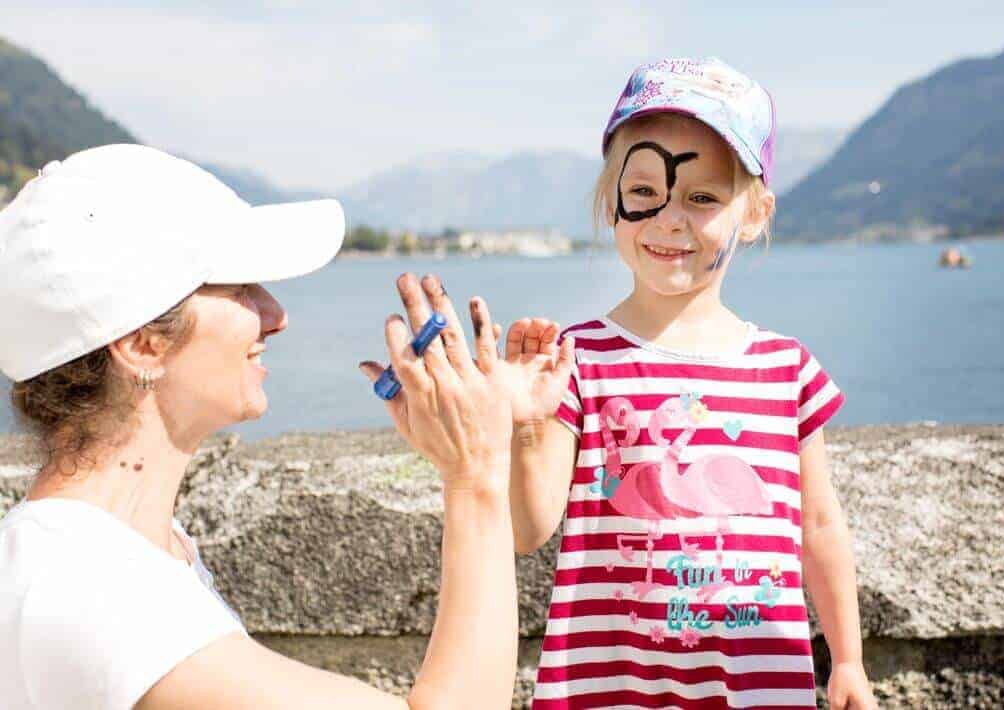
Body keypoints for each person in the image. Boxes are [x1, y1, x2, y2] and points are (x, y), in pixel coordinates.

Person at [0, 144, 520, 709]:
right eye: (240, 287)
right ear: (142, 343)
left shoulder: (110, 553)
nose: (276, 316)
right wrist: (475, 473)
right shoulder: (101, 598)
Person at [493, 59, 878, 708]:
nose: (669, 219)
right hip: (609, 689)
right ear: (609, 201)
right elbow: (528, 530)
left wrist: (848, 660)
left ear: (754, 214)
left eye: (701, 198)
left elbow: (818, 525)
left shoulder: (787, 369)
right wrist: (528, 426)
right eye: (644, 191)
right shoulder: (575, 360)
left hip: (759, 688)